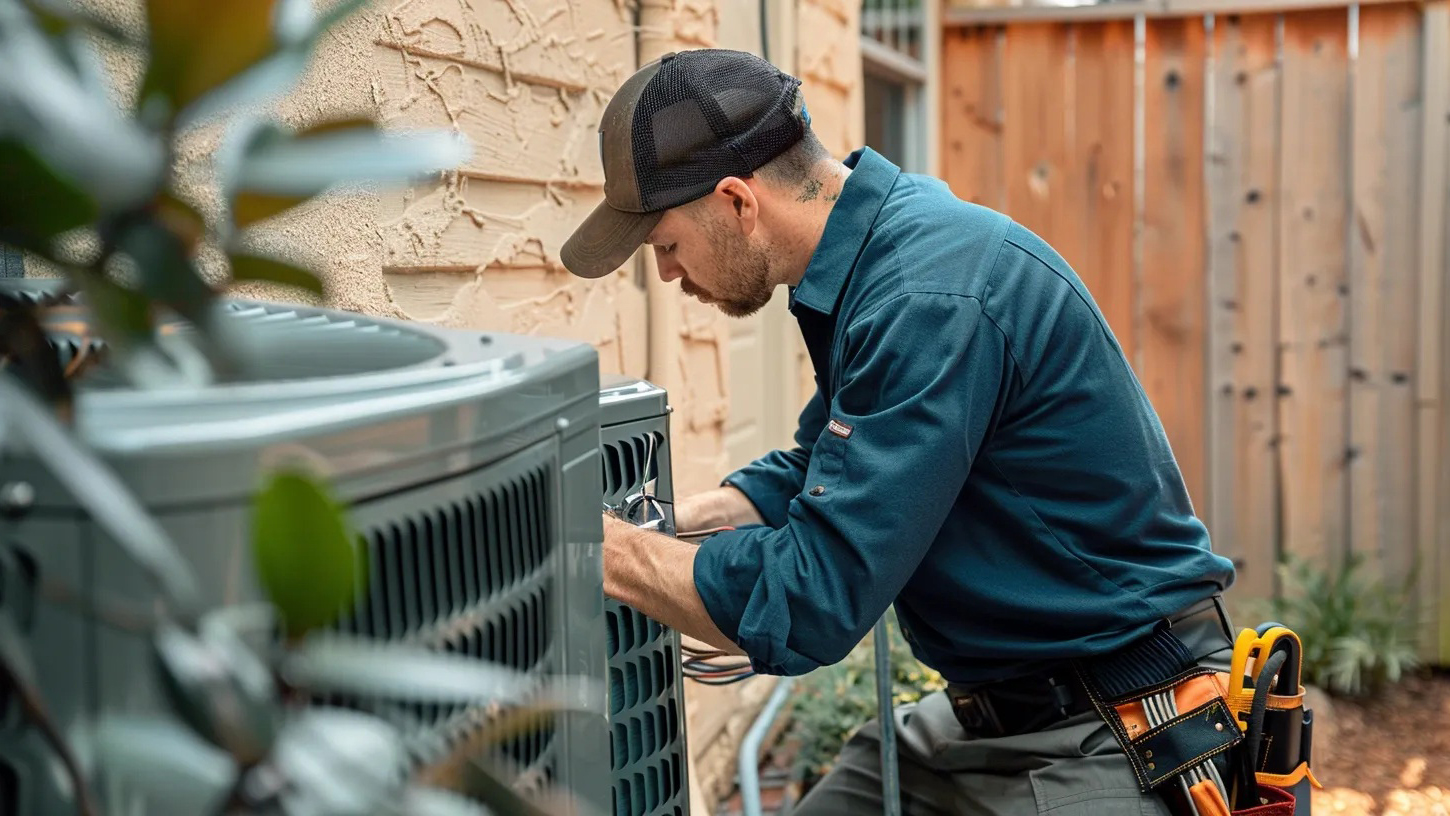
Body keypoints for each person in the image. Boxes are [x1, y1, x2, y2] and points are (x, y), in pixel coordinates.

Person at [561, 48, 1238, 815]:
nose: (670, 276)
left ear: (736, 203)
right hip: (991, 718)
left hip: (1116, 720)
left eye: (667, 246)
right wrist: (670, 523)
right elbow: (818, 471)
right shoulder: (877, 254)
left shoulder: (926, 295)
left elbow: (813, 598)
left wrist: (600, 550)